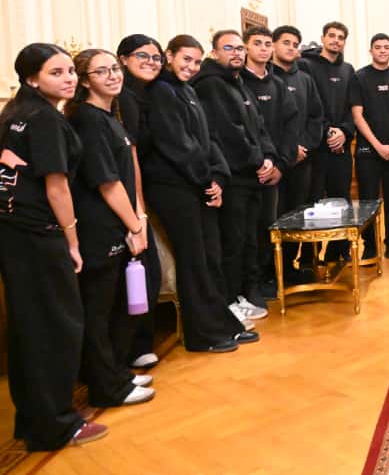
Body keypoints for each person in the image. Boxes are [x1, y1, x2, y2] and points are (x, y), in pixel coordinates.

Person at [0, 44, 106, 449]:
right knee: (58, 327)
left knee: (30, 328)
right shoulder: (45, 119)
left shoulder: (15, 113)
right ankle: (58, 424)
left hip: (13, 232)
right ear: (32, 79)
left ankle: (34, 421)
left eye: (70, 71)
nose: (69, 79)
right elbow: (57, 187)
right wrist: (73, 241)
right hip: (39, 234)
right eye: (56, 73)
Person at [142, 34, 256, 353]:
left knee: (210, 257)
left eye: (195, 61)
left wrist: (218, 176)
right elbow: (177, 144)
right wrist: (207, 180)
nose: (191, 67)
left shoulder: (187, 89)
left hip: (198, 184)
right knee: (194, 261)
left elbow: (208, 139)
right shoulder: (160, 91)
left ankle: (221, 323)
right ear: (169, 56)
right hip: (174, 187)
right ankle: (202, 334)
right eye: (185, 60)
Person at [66, 49, 155, 408]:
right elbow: (106, 182)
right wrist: (135, 225)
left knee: (119, 305)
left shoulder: (110, 115)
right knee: (98, 311)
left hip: (121, 223)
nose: (113, 76)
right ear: (85, 81)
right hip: (99, 228)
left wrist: (139, 217)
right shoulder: (86, 119)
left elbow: (127, 175)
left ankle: (117, 373)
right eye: (102, 71)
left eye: (114, 69)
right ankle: (106, 387)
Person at [193, 30, 278, 322]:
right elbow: (229, 132)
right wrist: (258, 160)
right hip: (233, 176)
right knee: (234, 241)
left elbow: (259, 126)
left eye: (240, 48)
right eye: (229, 48)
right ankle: (231, 300)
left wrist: (269, 156)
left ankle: (246, 292)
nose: (237, 53)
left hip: (253, 175)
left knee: (250, 238)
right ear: (214, 53)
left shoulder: (238, 82)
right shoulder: (211, 84)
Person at [114, 35, 164, 371]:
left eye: (156, 57)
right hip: (127, 197)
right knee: (137, 275)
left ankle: (139, 345)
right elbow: (129, 160)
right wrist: (138, 212)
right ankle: (129, 351)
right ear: (123, 59)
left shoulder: (150, 94)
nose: (151, 62)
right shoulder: (123, 98)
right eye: (142, 56)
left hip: (143, 192)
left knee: (148, 274)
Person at [241, 26, 300, 298]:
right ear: (246, 47)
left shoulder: (277, 84)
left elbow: (291, 124)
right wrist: (258, 162)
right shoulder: (237, 82)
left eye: (267, 44)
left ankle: (270, 276)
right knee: (248, 231)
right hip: (246, 170)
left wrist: (281, 164)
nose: (263, 49)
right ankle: (250, 284)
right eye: (258, 43)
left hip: (276, 169)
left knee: (270, 224)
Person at [350, 33, 389, 262]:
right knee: (368, 201)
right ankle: (370, 247)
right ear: (371, 51)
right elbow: (357, 116)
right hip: (368, 152)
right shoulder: (359, 77)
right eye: (378, 47)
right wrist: (378, 146)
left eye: (386, 47)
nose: (382, 51)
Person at [270, 25, 324, 218]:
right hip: (273, 161)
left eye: (295, 45)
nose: (291, 48)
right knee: (274, 217)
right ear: (273, 45)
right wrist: (286, 151)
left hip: (302, 159)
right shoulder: (265, 77)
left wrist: (302, 148)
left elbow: (316, 117)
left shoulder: (305, 80)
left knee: (300, 216)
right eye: (286, 43)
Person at [300, 22, 356, 206]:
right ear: (322, 38)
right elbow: (308, 105)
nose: (336, 40)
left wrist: (344, 131)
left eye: (341, 38)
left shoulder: (348, 69)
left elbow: (353, 106)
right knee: (313, 202)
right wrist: (329, 132)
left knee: (342, 203)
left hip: (342, 146)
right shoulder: (305, 65)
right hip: (316, 147)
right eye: (331, 36)